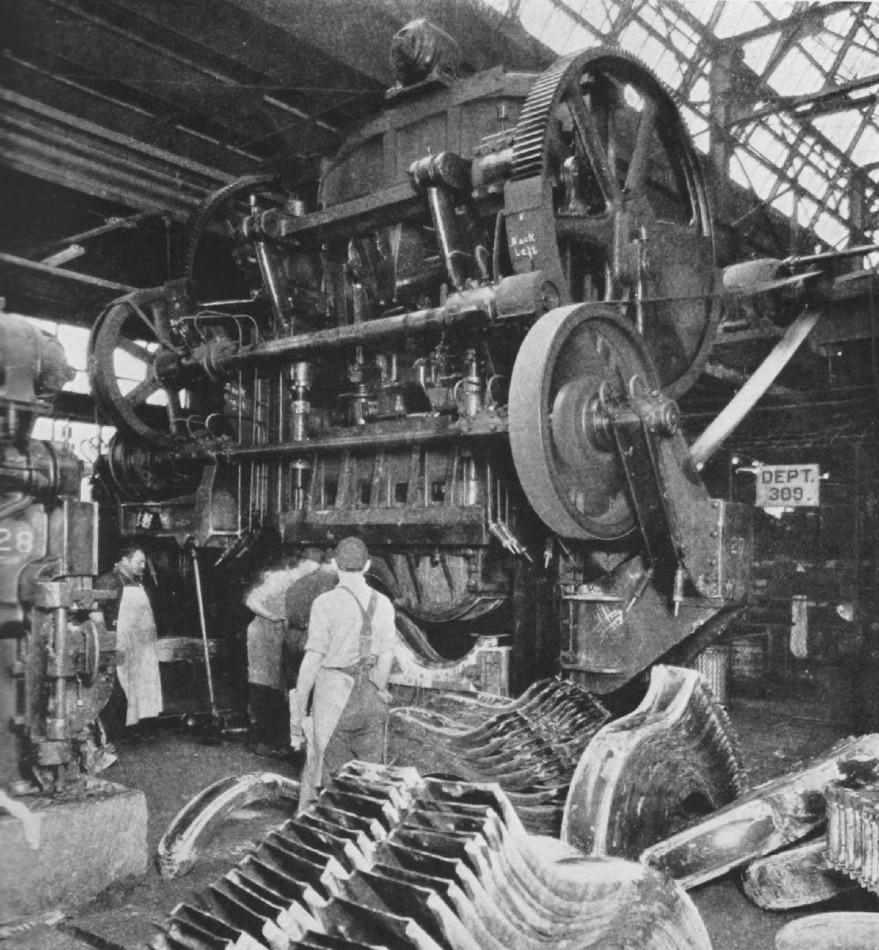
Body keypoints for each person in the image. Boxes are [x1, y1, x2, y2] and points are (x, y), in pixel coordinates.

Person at [289, 537, 396, 813]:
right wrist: (378, 688)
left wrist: (298, 710)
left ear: (335, 564)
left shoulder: (325, 603)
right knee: (370, 782)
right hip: (372, 699)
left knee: (331, 784)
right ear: (368, 565)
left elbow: (312, 660)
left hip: (336, 700)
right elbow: (386, 655)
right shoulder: (384, 603)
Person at [244, 548, 321, 753]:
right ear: (302, 562)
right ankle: (258, 740)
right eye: (313, 565)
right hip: (262, 635)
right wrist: (272, 616)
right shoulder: (280, 578)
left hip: (279, 637)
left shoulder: (302, 585)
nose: (315, 571)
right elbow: (252, 600)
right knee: (262, 684)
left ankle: (275, 739)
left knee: (278, 686)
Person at [97, 544, 163, 738]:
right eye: (139, 562)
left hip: (140, 644)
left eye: (144, 562)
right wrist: (103, 639)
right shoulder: (108, 581)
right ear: (124, 561)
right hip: (117, 642)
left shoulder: (138, 583)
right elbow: (95, 610)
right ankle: (105, 735)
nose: (143, 566)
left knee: (139, 685)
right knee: (115, 687)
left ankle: (131, 729)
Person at [283, 551, 339, 689]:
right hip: (315, 641)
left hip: (292, 637)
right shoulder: (334, 584)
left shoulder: (299, 583)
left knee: (296, 686)